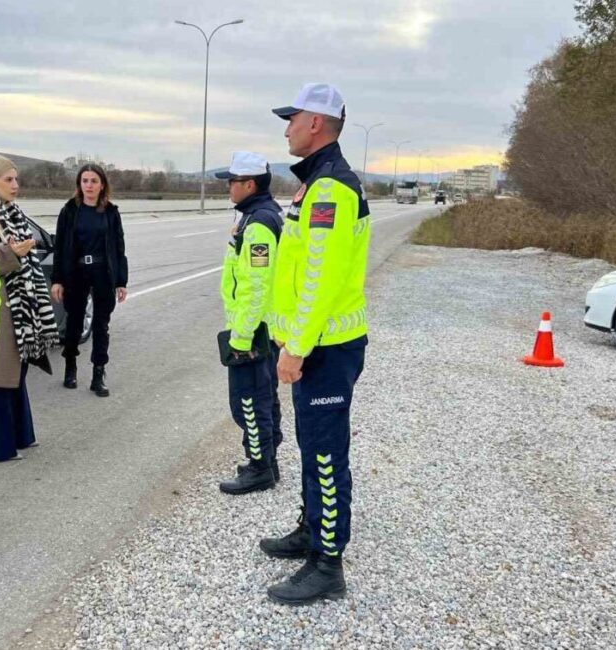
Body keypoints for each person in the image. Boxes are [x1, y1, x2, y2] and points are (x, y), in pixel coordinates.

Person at [259, 84, 371, 604]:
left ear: (316, 124)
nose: (286, 128)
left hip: (325, 348)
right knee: (312, 445)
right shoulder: (316, 183)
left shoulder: (330, 189)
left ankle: (328, 564)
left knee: (326, 454)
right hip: (317, 344)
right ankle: (312, 529)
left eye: (292, 118)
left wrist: (296, 348)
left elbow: (319, 279)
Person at [0, 155, 60, 462]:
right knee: (1, 378)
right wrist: (13, 253)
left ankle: (21, 435)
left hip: (21, 308)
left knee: (17, 373)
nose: (15, 185)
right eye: (8, 179)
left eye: (16, 179)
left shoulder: (13, 213)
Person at [213, 151, 285, 495]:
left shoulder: (258, 225)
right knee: (263, 397)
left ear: (250, 184)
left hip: (254, 332)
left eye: (233, 181)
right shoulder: (256, 216)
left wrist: (241, 337)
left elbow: (257, 286)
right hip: (259, 328)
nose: (229, 187)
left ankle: (260, 468)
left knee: (249, 402)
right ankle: (267, 461)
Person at [50, 164, 128, 397]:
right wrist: (57, 279)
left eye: (94, 181)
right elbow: (60, 247)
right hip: (76, 272)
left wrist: (121, 281)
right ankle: (70, 367)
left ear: (102, 185)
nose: (89, 185)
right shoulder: (69, 211)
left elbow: (119, 248)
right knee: (74, 322)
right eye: (85, 181)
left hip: (103, 272)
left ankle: (98, 374)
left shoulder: (111, 212)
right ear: (79, 184)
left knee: (101, 325)